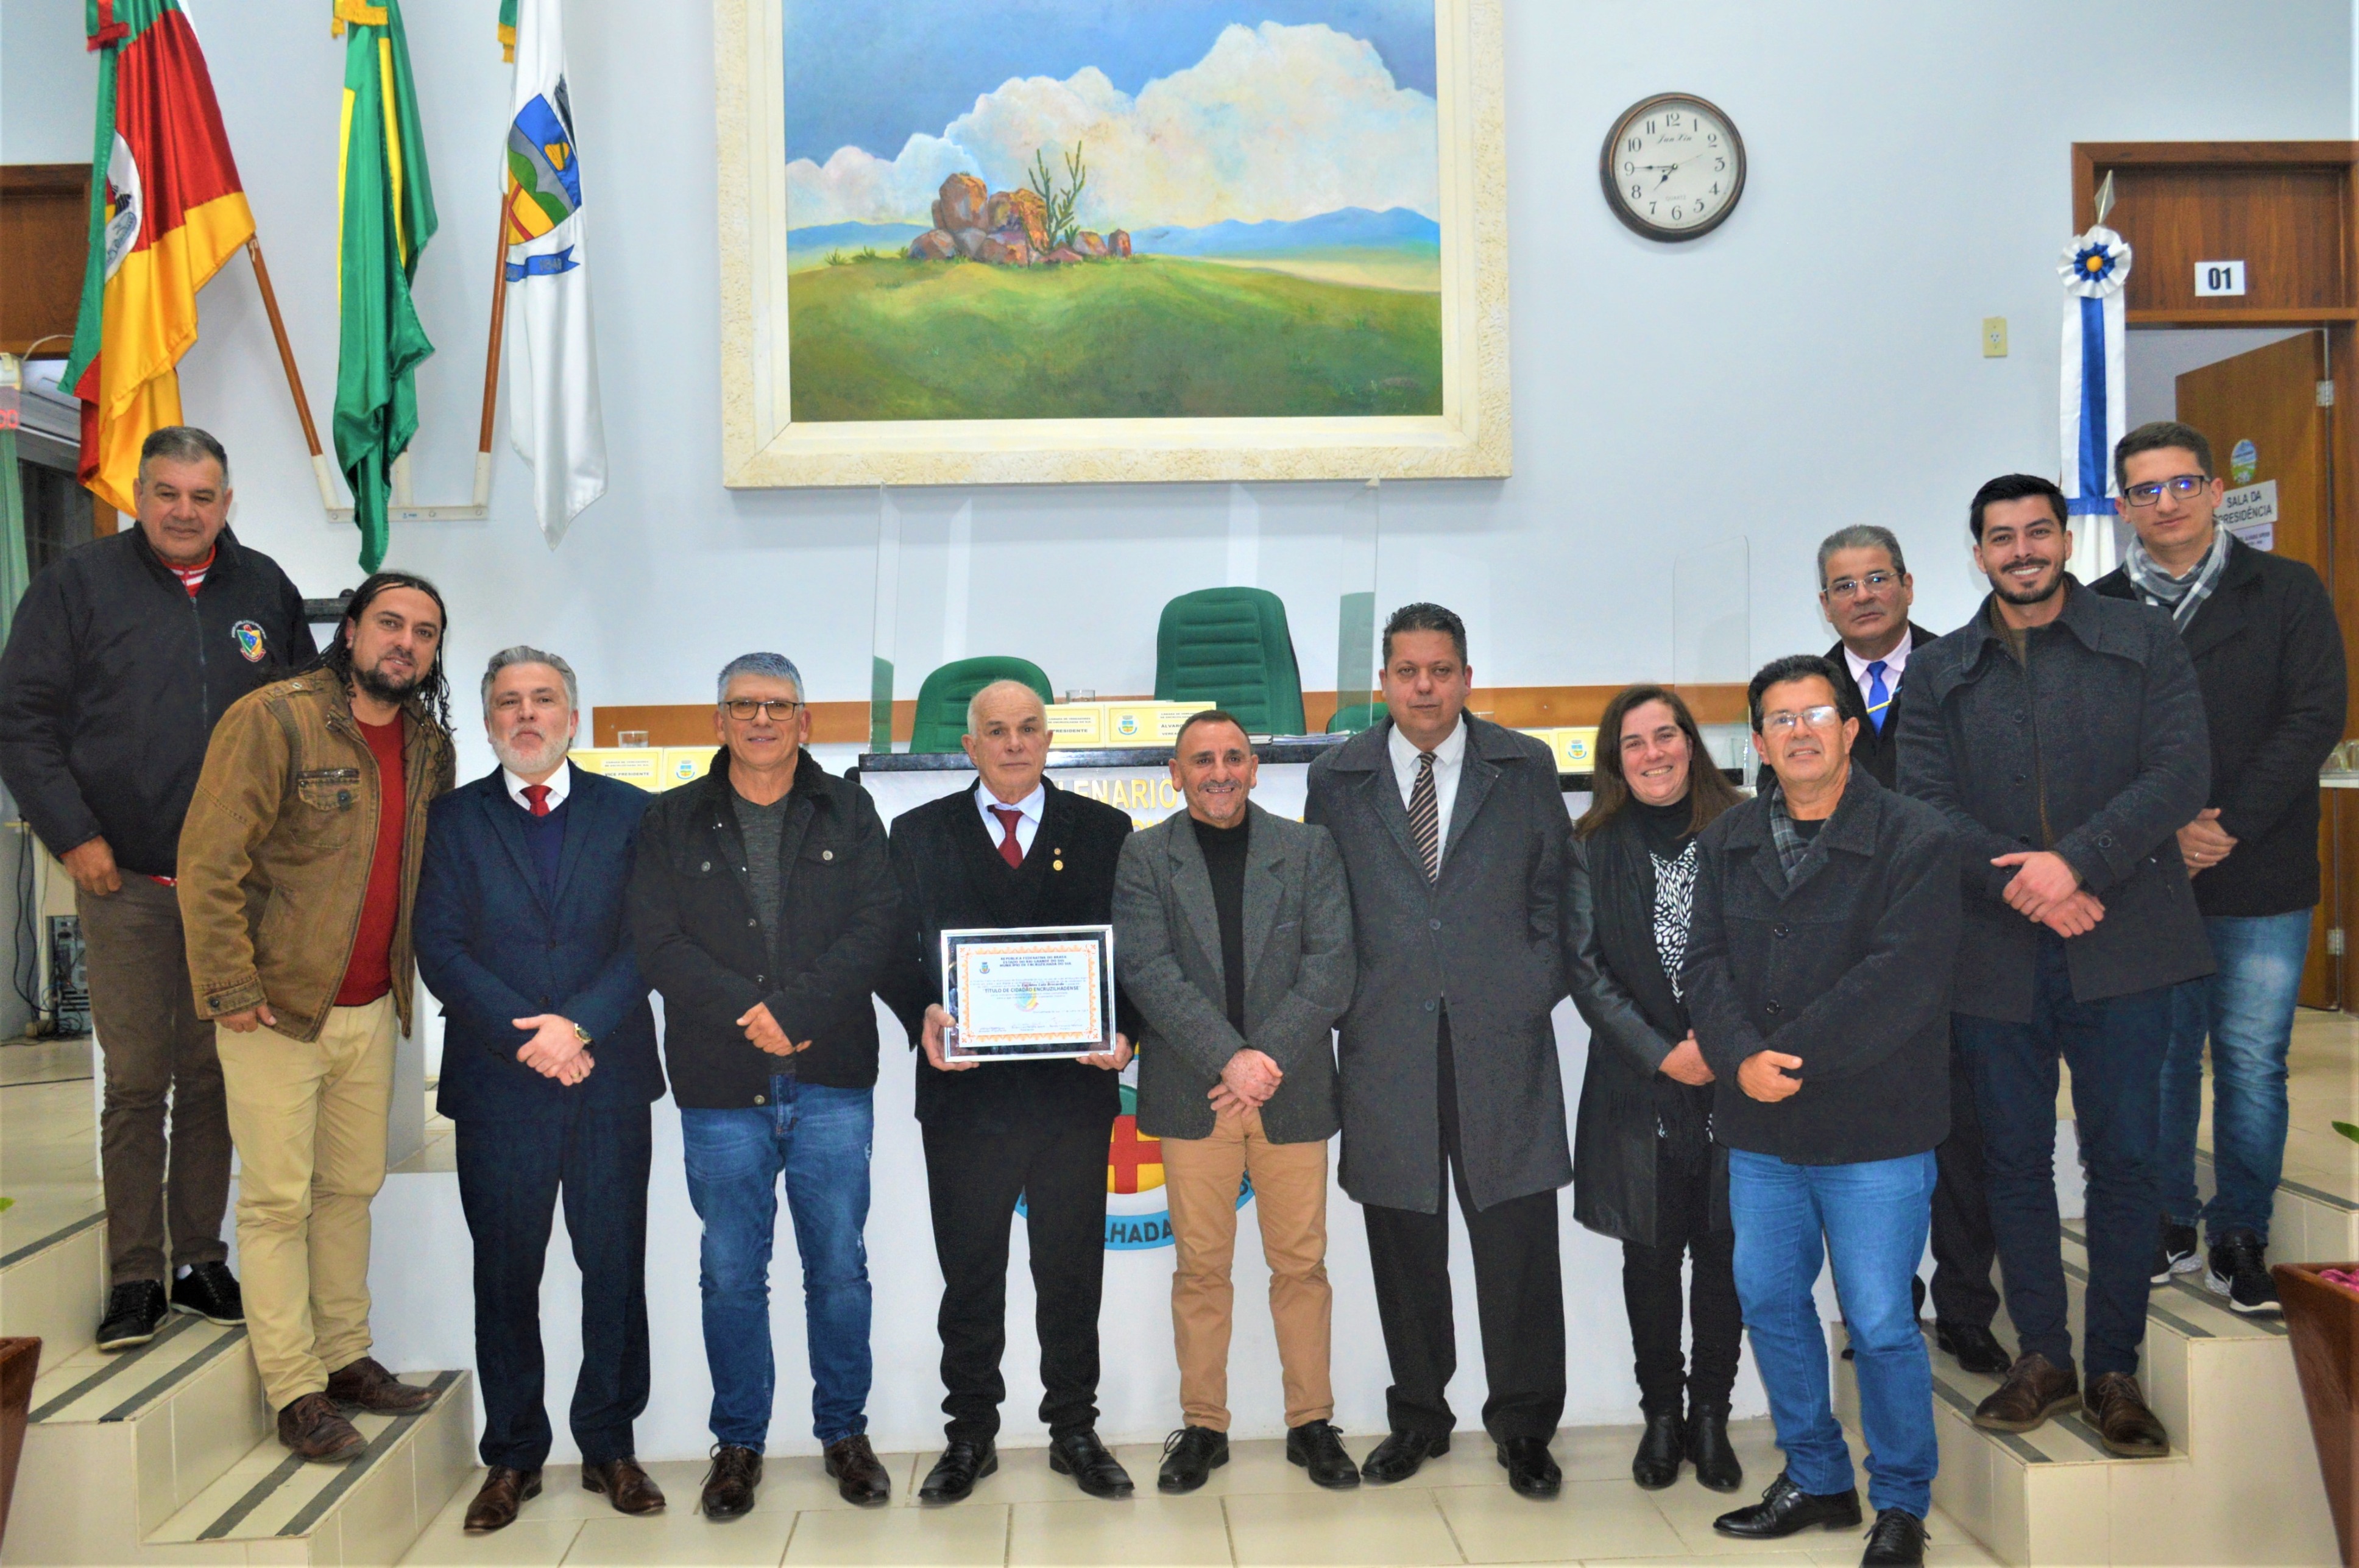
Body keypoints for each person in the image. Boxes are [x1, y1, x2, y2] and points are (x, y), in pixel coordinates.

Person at [1898, 474, 2212, 1460]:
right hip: (1994, 950)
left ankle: (2114, 1367)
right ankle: (2044, 1355)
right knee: (2011, 1160)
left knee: (2125, 1158)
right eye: (2002, 537)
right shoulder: (1938, 670)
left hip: (2126, 933)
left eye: (2039, 531)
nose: (2023, 550)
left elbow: (2180, 772)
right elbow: (1925, 807)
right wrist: (2030, 886)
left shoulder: (2143, 638)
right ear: (1978, 553)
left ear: (2067, 541)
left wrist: (2075, 864)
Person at [0, 425, 313, 1351]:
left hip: (237, 892)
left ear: (227, 502)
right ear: (139, 495)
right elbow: (22, 721)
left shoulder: (264, 589)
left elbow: (304, 722)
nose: (184, 511)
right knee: (138, 1084)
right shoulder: (76, 586)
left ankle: (199, 1260)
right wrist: (74, 835)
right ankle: (135, 1273)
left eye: (202, 496)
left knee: (214, 1077)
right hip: (125, 879)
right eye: (167, 493)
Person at [177, 571, 456, 1463]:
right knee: (275, 1203)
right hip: (277, 1012)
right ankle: (294, 1388)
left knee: (349, 1191)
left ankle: (344, 1358)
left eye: (424, 632)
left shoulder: (430, 745)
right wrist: (231, 985)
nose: (404, 643)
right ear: (353, 631)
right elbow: (209, 860)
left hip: (372, 1010)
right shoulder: (274, 719)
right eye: (389, 623)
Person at [1689, 654, 1959, 1568]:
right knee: (1769, 1299)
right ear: (1758, 742)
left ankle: (1902, 1502)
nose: (1799, 731)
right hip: (1761, 1126)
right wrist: (1740, 1058)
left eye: (1816, 715)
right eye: (1780, 719)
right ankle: (1816, 1476)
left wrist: (1783, 1060)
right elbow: (1704, 964)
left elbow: (1902, 976)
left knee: (1879, 1321)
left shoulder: (1916, 835)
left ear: (1849, 730)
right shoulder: (1726, 840)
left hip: (1873, 1124)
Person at [1304, 602, 1572, 1499]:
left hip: (1504, 1042)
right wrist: (1349, 1004)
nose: (1425, 687)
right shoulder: (1338, 775)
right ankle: (1419, 1415)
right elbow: (1323, 908)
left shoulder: (1522, 765)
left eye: (1442, 670)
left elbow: (1557, 896)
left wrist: (1529, 990)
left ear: (1466, 677)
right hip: (1386, 1043)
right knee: (1405, 1244)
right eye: (1408, 671)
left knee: (1517, 1246)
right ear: (1384, 680)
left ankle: (1525, 1426)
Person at [628, 652, 900, 1516]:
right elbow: (656, 942)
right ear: (719, 721)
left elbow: (878, 926)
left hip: (830, 1078)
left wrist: (797, 1011)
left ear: (804, 721)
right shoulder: (670, 819)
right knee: (730, 1274)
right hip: (720, 1083)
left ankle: (844, 1433)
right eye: (743, 705)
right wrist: (754, 1015)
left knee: (840, 1269)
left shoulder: (850, 810)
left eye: (778, 706)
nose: (761, 720)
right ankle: (739, 1443)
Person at [2093, 421, 2346, 1316]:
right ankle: (2167, 1218)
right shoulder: (2097, 607)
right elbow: (2086, 743)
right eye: (2145, 490)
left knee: (2250, 1058)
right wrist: (2164, 832)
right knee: (2158, 1058)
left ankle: (2241, 1232)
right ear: (2122, 506)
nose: (2166, 503)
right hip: (2145, 875)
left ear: (2213, 490)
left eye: (2182, 484)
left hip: (2261, 866)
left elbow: (2314, 716)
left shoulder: (2286, 589)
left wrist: (2226, 825)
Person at [415, 649, 667, 1532]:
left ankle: (609, 1445)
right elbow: (441, 947)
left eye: (544, 699)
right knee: (505, 1275)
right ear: (489, 722)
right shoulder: (451, 821)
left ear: (572, 716)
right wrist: (534, 1037)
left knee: (615, 1270)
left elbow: (650, 939)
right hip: (499, 1086)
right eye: (509, 702)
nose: (527, 715)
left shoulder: (634, 814)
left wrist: (578, 1026)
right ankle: (514, 1454)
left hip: (607, 1078)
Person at [877, 679, 1140, 1504]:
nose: (1015, 743)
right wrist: (921, 1011)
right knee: (970, 1277)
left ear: (1049, 740)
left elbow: (1140, 950)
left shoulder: (1105, 831)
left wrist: (1127, 1030)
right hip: (966, 1098)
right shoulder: (919, 834)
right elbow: (890, 949)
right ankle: (970, 1434)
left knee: (1071, 1274)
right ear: (971, 745)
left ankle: (1074, 1429)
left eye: (1029, 728)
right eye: (997, 730)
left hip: (1072, 1096)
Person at [1113, 709, 1359, 1494]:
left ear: (1254, 769)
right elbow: (1147, 971)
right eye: (1201, 760)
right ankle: (1204, 1428)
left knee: (1302, 1266)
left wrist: (1262, 1061)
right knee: (1200, 1270)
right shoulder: (1145, 856)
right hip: (1197, 1094)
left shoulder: (1309, 849)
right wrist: (1231, 1059)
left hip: (1291, 1089)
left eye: (1232, 758)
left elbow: (1331, 967)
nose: (1218, 772)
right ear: (1175, 775)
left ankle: (1311, 1423)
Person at [1814, 526, 2006, 1376]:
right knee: (1870, 1146)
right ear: (1825, 604)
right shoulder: (1805, 691)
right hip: (1852, 960)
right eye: (1844, 585)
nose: (1863, 596)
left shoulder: (1968, 669)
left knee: (1966, 1140)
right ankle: (1882, 1306)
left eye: (1876, 578)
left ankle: (1967, 1307)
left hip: (1964, 941)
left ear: (1909, 584)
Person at [1566, 685, 1747, 1493]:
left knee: (1724, 1254)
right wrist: (1664, 1054)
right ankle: (1663, 1417)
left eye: (1665, 736)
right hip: (1637, 1087)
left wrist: (1722, 1045)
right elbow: (1585, 970)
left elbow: (1774, 952)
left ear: (1690, 743)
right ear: (1615, 761)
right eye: (1633, 743)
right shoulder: (1588, 846)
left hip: (1736, 1082)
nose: (1653, 754)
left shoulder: (1745, 829)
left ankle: (1711, 1415)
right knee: (1650, 1256)